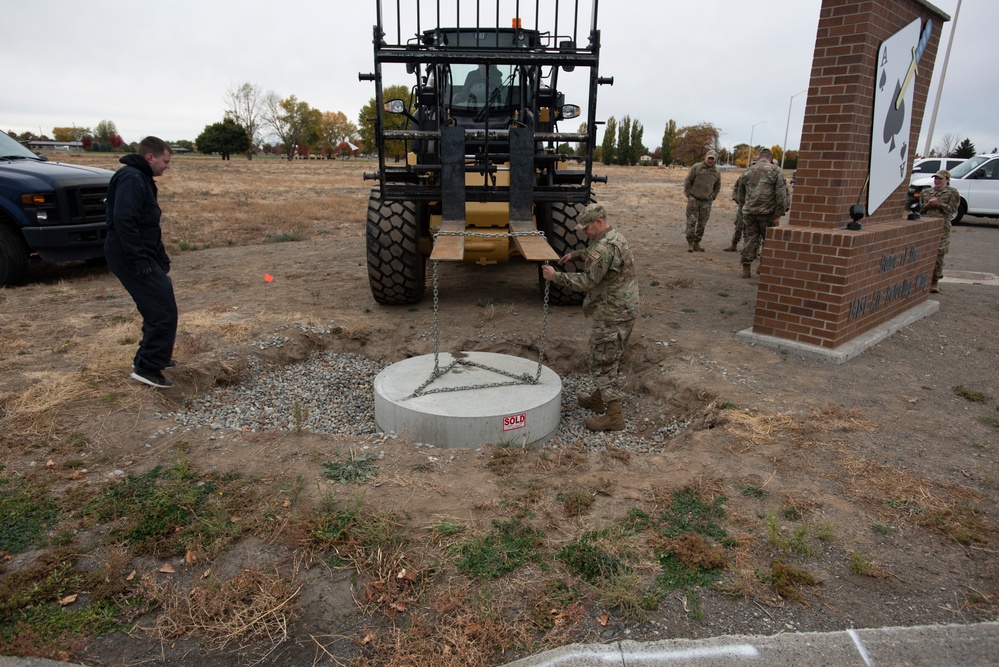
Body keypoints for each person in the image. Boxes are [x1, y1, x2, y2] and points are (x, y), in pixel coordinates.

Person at [541, 204, 639, 432]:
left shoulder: (603, 248)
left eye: (586, 228)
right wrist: (575, 254)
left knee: (601, 362)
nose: (584, 232)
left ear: (598, 222)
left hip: (612, 314)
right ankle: (597, 399)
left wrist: (556, 277)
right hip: (625, 310)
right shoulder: (615, 238)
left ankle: (615, 416)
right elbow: (597, 255)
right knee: (610, 356)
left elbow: (586, 282)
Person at [104, 136, 178, 388]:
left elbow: (148, 223)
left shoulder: (142, 179)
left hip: (141, 253)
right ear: (150, 157)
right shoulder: (132, 179)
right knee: (160, 308)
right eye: (165, 161)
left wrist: (159, 255)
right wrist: (139, 259)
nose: (167, 166)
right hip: (128, 255)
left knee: (161, 302)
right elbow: (124, 221)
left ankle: (152, 358)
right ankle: (147, 367)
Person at [738, 147, 789, 278]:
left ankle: (746, 268)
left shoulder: (748, 170)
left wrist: (744, 206)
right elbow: (781, 193)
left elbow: (740, 191)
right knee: (769, 240)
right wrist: (779, 211)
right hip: (768, 213)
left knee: (749, 239)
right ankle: (762, 266)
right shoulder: (775, 170)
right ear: (771, 158)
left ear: (759, 157)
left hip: (749, 212)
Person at [920, 169, 960, 294]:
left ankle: (934, 281)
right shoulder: (926, 192)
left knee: (939, 253)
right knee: (923, 251)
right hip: (927, 226)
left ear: (947, 180)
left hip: (943, 226)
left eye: (940, 179)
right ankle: (920, 280)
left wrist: (938, 204)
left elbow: (952, 209)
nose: (937, 181)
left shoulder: (952, 192)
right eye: (935, 178)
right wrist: (928, 204)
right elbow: (920, 209)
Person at [682, 150, 721, 252]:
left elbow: (718, 185)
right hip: (694, 199)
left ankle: (697, 243)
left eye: (713, 159)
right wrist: (688, 195)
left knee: (702, 224)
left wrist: (713, 196)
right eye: (709, 158)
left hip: (707, 202)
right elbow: (688, 181)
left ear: (715, 160)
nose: (710, 160)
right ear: (705, 157)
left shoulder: (716, 171)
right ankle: (690, 243)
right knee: (691, 222)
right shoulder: (697, 167)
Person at [724, 171, 747, 252]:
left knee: (752, 230)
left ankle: (754, 248)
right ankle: (734, 244)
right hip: (742, 206)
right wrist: (735, 197)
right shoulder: (745, 175)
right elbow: (736, 187)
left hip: (755, 207)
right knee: (738, 226)